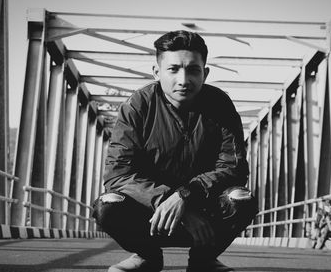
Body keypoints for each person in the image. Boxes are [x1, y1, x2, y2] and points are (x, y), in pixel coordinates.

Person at [92, 30, 258, 272]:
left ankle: (203, 259)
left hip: (205, 214)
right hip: (150, 216)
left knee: (242, 200)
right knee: (107, 205)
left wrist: (185, 196)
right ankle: (147, 255)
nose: (184, 79)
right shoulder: (138, 106)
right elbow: (118, 174)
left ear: (205, 73)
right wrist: (169, 200)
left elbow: (234, 168)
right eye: (173, 69)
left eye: (193, 70)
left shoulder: (220, 105)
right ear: (156, 72)